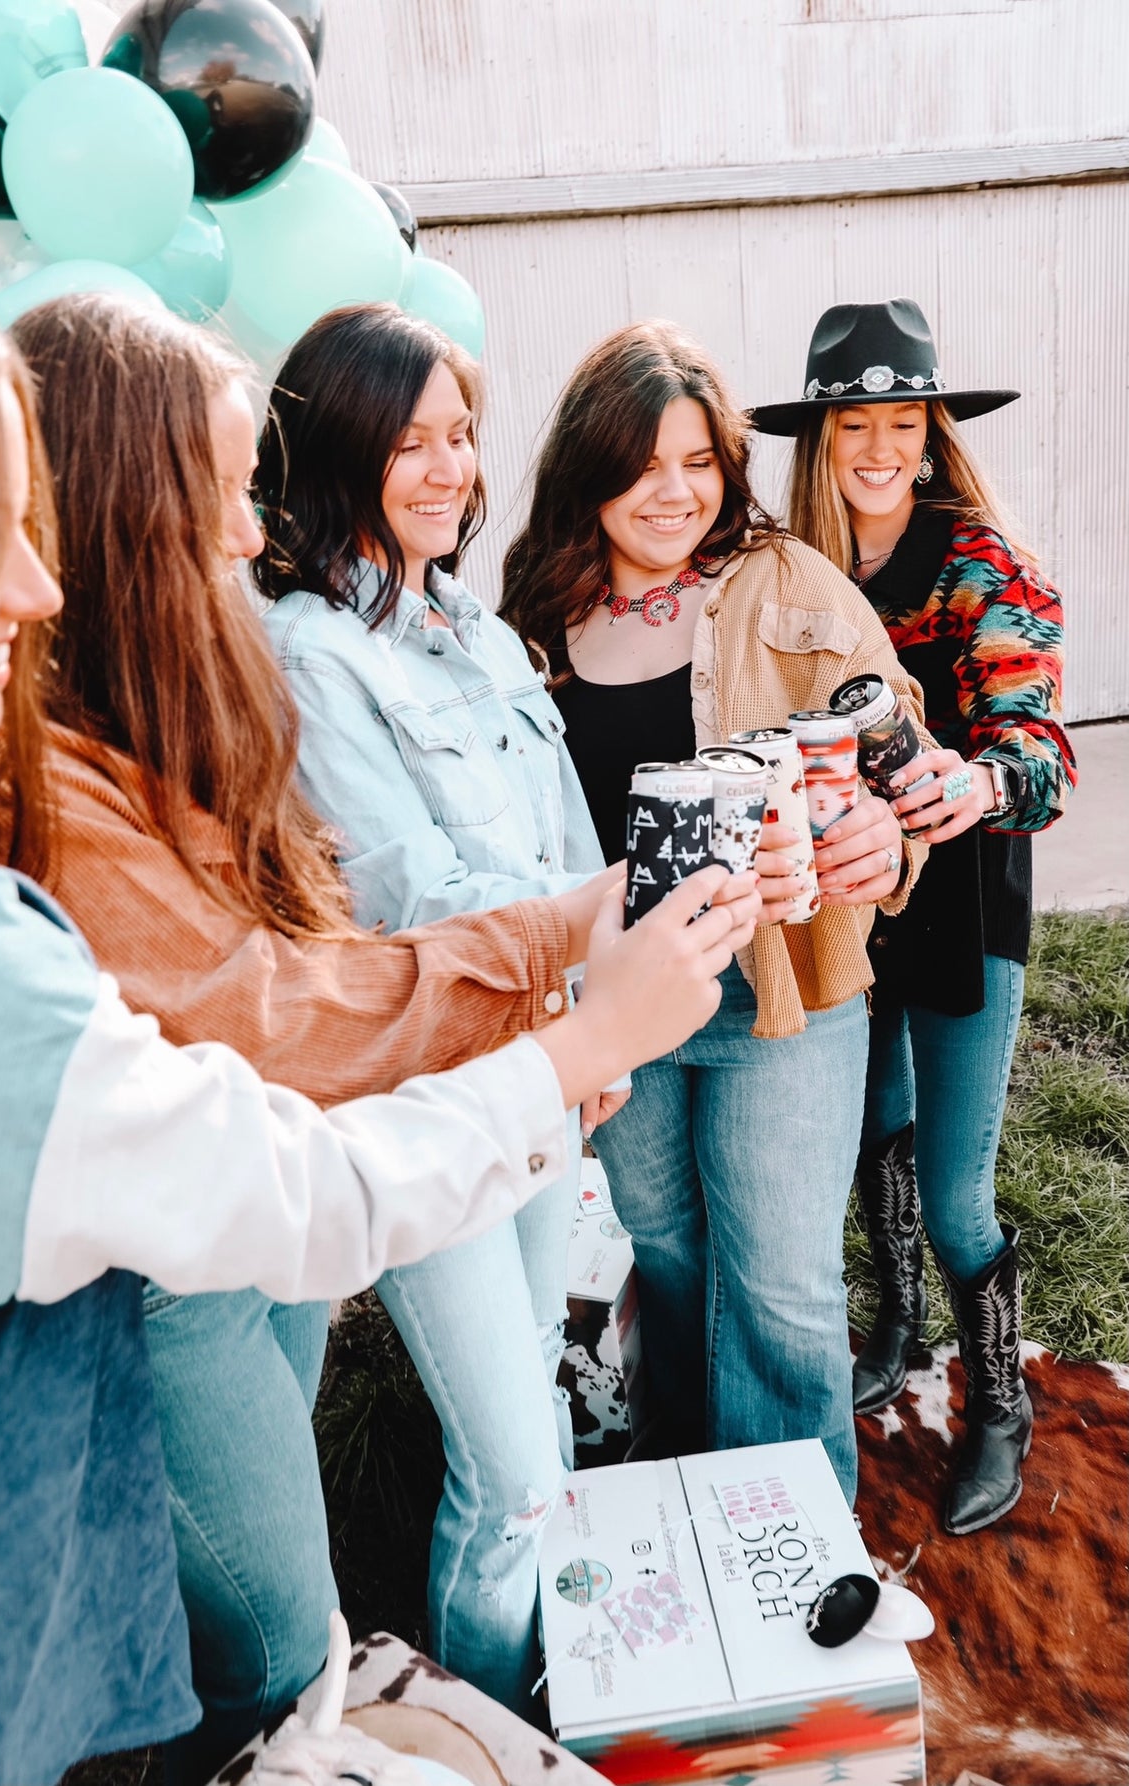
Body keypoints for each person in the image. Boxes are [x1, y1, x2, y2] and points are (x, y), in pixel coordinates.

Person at [0, 296, 747, 1786]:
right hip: (200, 1261)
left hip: (292, 1206)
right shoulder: (43, 829)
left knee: (238, 1638)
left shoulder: (191, 710)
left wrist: (580, 954)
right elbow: (289, 1056)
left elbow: (315, 968)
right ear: (132, 506)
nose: (249, 535)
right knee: (294, 1644)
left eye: (460, 437)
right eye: (220, 496)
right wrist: (569, 1017)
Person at [255, 304, 759, 1713]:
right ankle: (485, 1716)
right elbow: (415, 893)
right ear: (337, 450)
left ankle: (538, 1692)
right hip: (427, 1089)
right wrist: (593, 968)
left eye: (461, 435)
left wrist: (586, 1036)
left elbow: (555, 829)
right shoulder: (308, 650)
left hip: (540, 1059)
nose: (444, 467)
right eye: (406, 441)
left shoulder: (467, 621)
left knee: (534, 1400)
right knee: (520, 1467)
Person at [501, 320, 927, 1503]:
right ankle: (689, 1495)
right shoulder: (535, 614)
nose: (673, 492)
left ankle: (792, 1542)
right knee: (672, 1254)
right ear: (591, 472)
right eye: (643, 466)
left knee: (782, 1280)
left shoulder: (789, 580)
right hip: (625, 998)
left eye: (698, 463)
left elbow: (899, 753)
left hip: (778, 985)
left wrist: (883, 836)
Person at [754, 297, 1076, 1533]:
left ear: (936, 433)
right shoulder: (795, 567)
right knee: (870, 1132)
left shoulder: (984, 565)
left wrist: (978, 776)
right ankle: (893, 1321)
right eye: (855, 425)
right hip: (844, 898)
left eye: (905, 421)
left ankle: (997, 1397)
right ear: (821, 442)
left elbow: (1039, 749)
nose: (880, 447)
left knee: (955, 1187)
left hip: (965, 900)